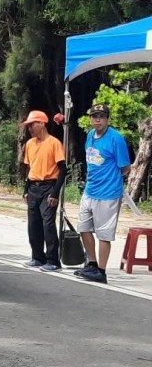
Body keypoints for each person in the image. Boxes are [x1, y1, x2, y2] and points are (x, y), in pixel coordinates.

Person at [76, 103, 131, 284]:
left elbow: (125, 167)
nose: (97, 119)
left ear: (107, 119)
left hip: (108, 193)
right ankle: (91, 263)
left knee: (104, 234)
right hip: (90, 190)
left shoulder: (116, 139)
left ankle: (101, 270)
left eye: (101, 116)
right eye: (94, 116)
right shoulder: (91, 135)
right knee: (84, 228)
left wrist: (111, 180)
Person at [20, 110, 66, 271]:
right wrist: (25, 189)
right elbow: (28, 168)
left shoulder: (54, 143)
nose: (30, 128)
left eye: (32, 125)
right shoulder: (30, 144)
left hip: (48, 186)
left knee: (48, 224)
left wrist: (55, 193)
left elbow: (63, 169)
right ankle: (37, 256)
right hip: (33, 186)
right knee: (33, 224)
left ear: (42, 123)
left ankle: (53, 260)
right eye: (29, 126)